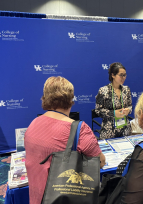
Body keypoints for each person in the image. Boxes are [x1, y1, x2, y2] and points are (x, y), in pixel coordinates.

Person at [24, 76, 105, 204]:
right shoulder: (80, 128)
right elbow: (100, 162)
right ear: (70, 99)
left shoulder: (33, 124)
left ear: (45, 97)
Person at [95, 62, 132, 139]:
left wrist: (128, 110)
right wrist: (113, 113)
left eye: (125, 75)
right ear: (113, 75)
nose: (123, 77)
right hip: (109, 131)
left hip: (125, 130)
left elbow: (130, 106)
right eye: (121, 75)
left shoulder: (126, 89)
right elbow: (98, 111)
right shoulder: (103, 90)